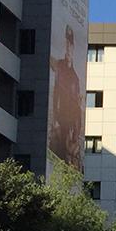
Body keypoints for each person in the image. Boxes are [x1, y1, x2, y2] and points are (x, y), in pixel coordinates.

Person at [48, 24, 84, 165]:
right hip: (59, 120)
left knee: (64, 158)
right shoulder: (60, 66)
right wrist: (55, 119)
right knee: (55, 153)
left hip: (69, 125)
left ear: (73, 47)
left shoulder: (75, 77)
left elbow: (77, 107)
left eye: (71, 44)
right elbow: (55, 93)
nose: (68, 47)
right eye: (66, 43)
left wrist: (75, 133)